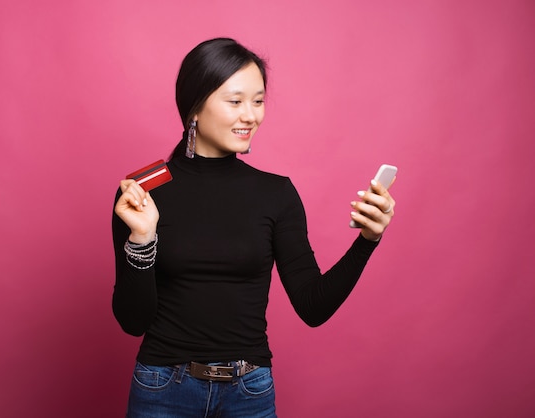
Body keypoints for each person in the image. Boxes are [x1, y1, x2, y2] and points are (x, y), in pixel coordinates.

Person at [112, 37, 396, 418]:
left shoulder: (275, 193)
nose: (251, 116)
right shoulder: (142, 193)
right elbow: (133, 322)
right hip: (162, 389)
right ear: (194, 107)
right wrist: (142, 238)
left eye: (258, 101)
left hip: (249, 393)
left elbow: (313, 306)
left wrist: (368, 240)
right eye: (235, 101)